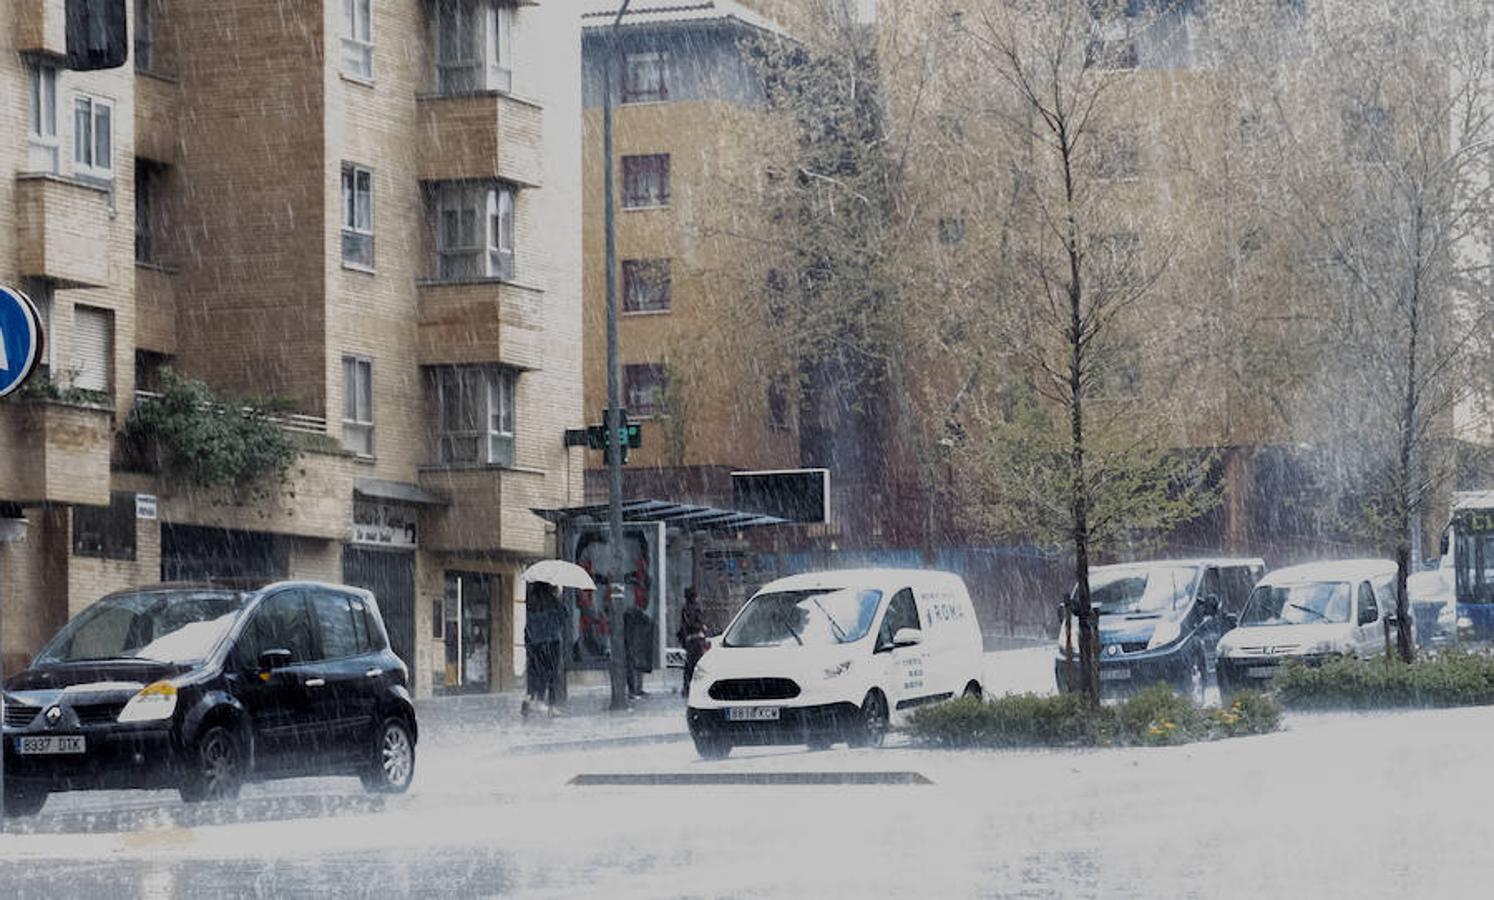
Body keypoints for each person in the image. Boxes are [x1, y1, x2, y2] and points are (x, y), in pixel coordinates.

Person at [523, 582, 564, 715]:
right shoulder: (553, 600)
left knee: (534, 671)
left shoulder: (531, 599)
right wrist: (559, 597)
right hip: (551, 641)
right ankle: (550, 705)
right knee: (551, 673)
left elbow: (529, 623)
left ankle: (529, 697)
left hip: (534, 642)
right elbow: (563, 617)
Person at [677, 587, 709, 696]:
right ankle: (693, 687)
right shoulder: (694, 608)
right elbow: (693, 623)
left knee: (690, 664)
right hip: (695, 639)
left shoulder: (686, 608)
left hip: (690, 639)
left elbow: (686, 624)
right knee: (695, 664)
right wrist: (702, 626)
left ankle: (687, 687)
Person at [623, 601, 653, 699]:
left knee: (634, 668)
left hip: (633, 647)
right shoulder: (633, 623)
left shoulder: (632, 623)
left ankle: (634, 690)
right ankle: (634, 690)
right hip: (633, 647)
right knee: (633, 668)